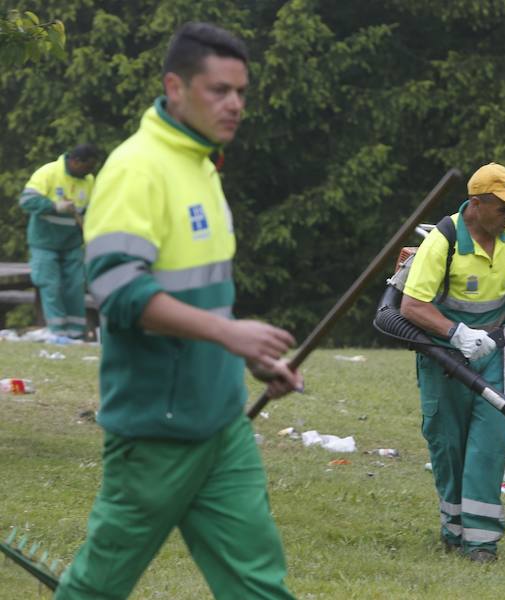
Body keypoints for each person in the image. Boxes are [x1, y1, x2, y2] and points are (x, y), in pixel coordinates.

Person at [54, 23, 301, 599]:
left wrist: (250, 358)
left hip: (221, 423)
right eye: (219, 90)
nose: (235, 105)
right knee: (99, 586)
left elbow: (198, 294)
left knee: (259, 584)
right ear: (175, 86)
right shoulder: (137, 168)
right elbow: (119, 292)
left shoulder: (201, 165)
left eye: (241, 92)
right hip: (156, 432)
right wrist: (229, 333)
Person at [400, 162, 505, 563]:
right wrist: (458, 335)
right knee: (448, 445)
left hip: (495, 356)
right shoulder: (442, 242)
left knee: (489, 445)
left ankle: (481, 542)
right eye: (504, 209)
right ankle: (453, 529)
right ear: (476, 205)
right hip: (445, 358)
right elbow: (411, 306)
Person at [18, 143, 101, 340]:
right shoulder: (49, 172)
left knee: (74, 286)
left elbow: (92, 210)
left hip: (71, 243)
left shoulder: (89, 180)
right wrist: (54, 206)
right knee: (51, 285)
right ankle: (57, 333)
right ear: (75, 161)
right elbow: (27, 201)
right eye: (87, 166)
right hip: (44, 242)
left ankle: (75, 333)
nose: (89, 171)